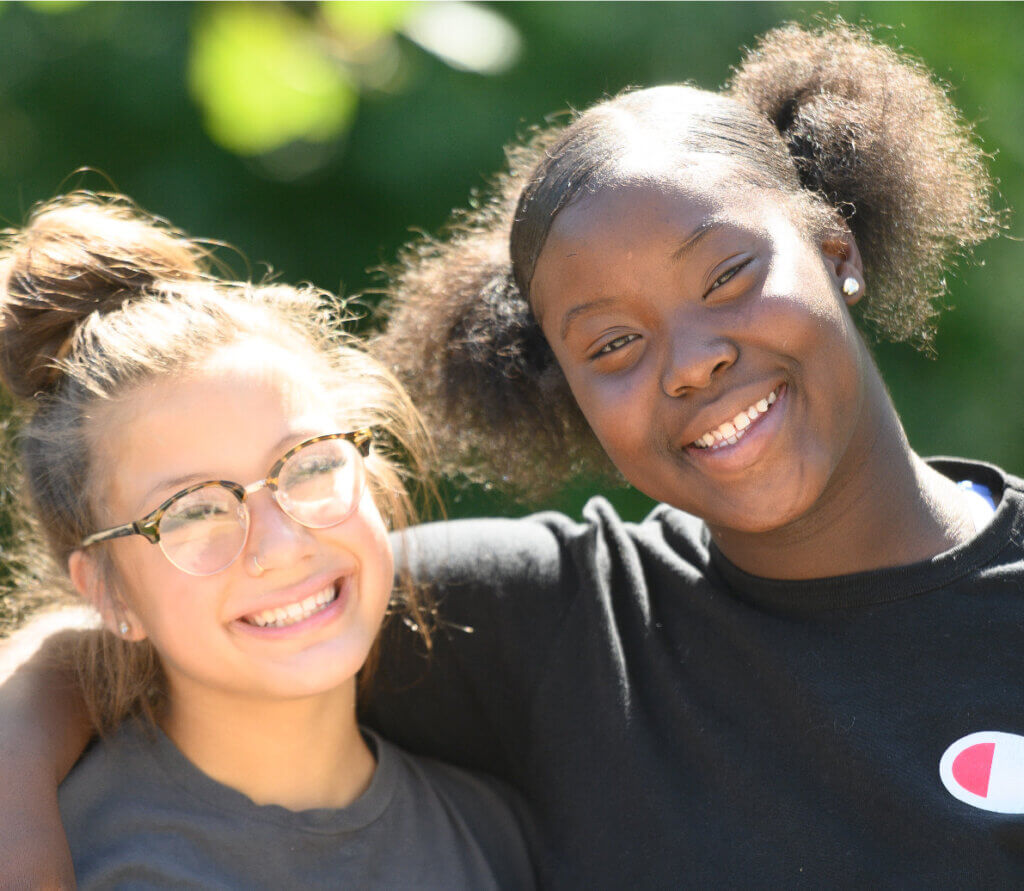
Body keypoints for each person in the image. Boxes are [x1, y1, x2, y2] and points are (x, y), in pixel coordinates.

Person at [1, 19, 1022, 889]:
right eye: (611, 345)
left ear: (833, 249)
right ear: (570, 395)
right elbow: (140, 634)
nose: (691, 362)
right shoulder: (556, 621)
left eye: (727, 275)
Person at [0, 195, 535, 889]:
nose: (280, 543)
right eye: (193, 511)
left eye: (309, 464)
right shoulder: (71, 858)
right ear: (106, 589)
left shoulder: (497, 838)